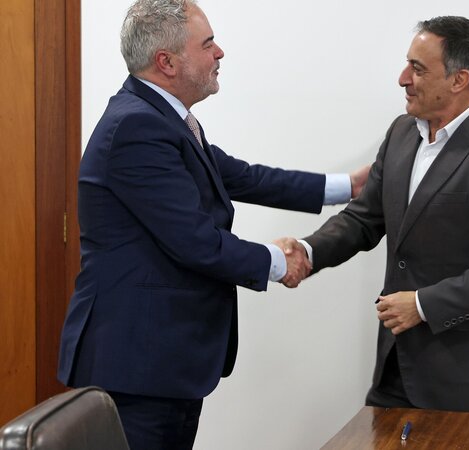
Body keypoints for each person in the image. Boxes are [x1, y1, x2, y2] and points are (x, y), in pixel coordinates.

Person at [56, 1, 367, 448]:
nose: (219, 52)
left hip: (165, 361)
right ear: (167, 62)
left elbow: (243, 176)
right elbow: (195, 242)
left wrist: (347, 186)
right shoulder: (136, 127)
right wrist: (281, 262)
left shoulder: (162, 117)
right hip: (137, 366)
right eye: (207, 44)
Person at [284, 16, 469, 413]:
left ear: (459, 80)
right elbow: (364, 219)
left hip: (467, 381)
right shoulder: (402, 133)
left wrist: (422, 305)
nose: (403, 78)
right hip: (395, 369)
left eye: (417, 69)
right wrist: (307, 251)